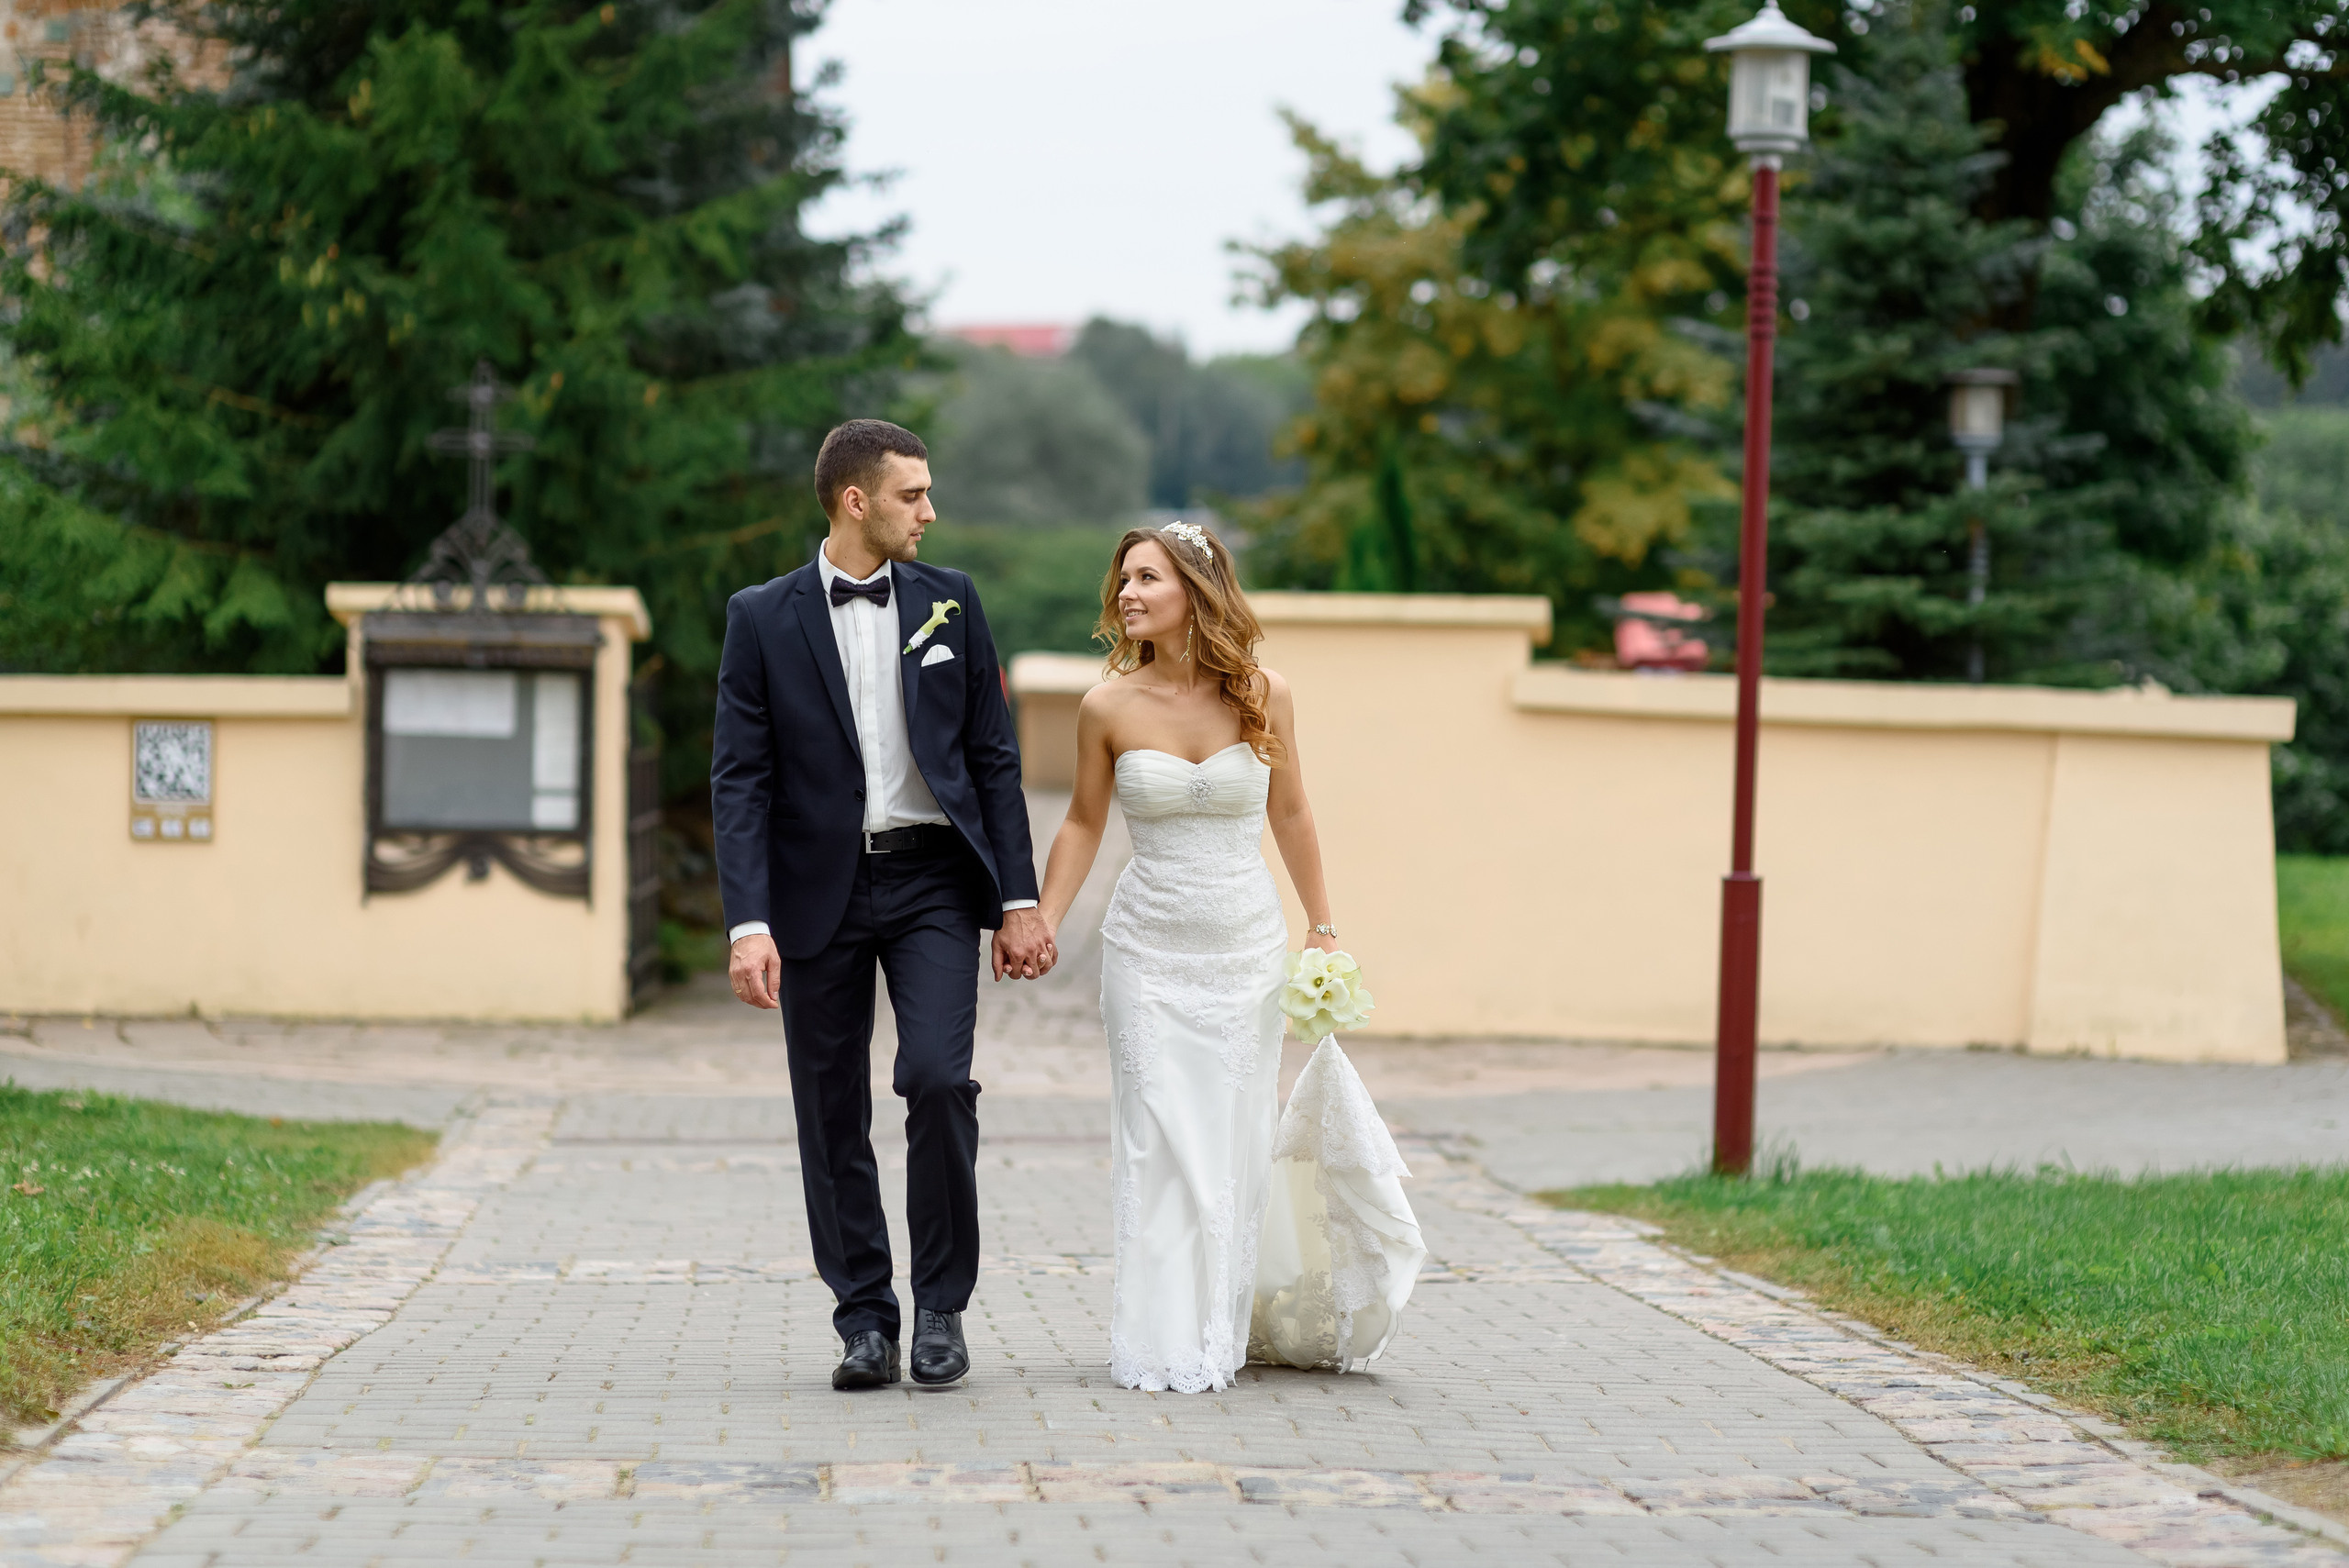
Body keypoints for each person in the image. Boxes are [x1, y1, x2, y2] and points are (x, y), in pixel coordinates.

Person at [1034, 522, 1423, 1394]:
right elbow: (1085, 823)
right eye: (1123, 578)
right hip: (1146, 947)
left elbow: (1292, 813)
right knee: (1155, 1138)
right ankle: (1157, 1332)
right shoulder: (1107, 706)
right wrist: (1046, 918)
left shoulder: (1263, 693)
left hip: (1243, 945)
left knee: (1233, 1139)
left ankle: (1219, 1325)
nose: (1128, 593)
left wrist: (1322, 926)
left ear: (1196, 592)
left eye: (1147, 578)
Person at [711, 419, 1055, 1393]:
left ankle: (940, 1305)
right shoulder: (760, 616)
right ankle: (864, 1316)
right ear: (855, 500)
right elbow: (739, 777)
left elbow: (993, 755)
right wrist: (749, 922)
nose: (930, 511)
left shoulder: (952, 600)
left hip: (934, 880)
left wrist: (1018, 899)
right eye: (913, 493)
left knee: (939, 1078)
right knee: (830, 1112)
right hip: (815, 889)